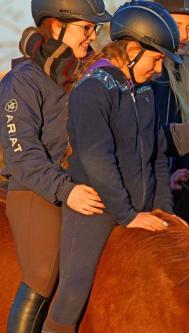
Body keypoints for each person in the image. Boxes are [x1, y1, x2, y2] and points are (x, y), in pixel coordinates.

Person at [41, 1, 189, 332]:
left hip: (144, 208)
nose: (158, 69)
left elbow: (158, 153)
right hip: (98, 210)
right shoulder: (92, 90)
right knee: (73, 291)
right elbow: (98, 160)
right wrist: (129, 215)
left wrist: (164, 211)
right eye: (155, 60)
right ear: (133, 50)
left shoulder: (145, 91)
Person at [0, 1, 111, 331]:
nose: (91, 38)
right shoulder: (22, 82)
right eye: (86, 28)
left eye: (95, 30)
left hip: (81, 187)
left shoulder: (92, 79)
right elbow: (24, 156)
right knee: (45, 273)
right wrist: (67, 190)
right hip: (34, 190)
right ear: (54, 27)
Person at [152, 0, 189, 193]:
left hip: (172, 183)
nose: (184, 35)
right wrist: (162, 180)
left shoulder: (188, 72)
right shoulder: (150, 72)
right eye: (177, 26)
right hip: (148, 185)